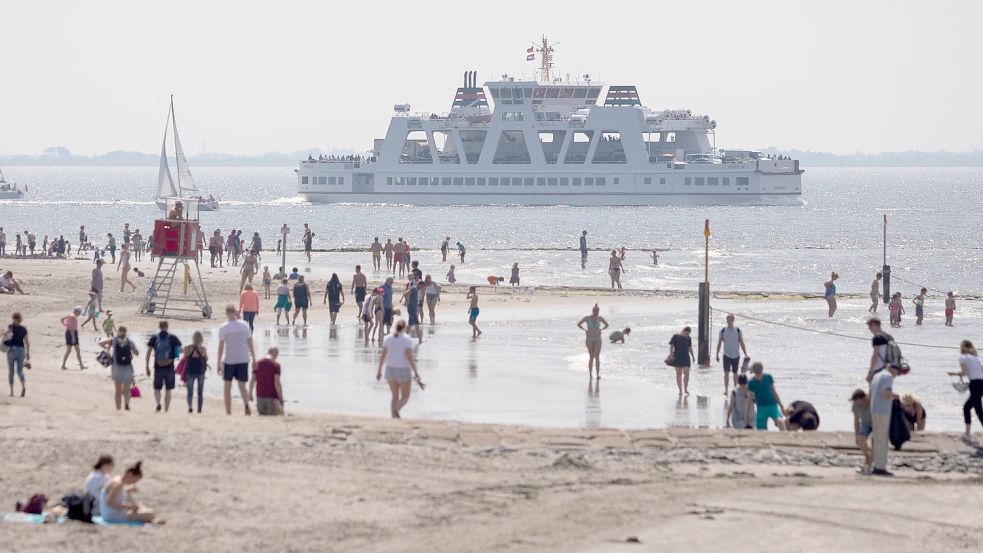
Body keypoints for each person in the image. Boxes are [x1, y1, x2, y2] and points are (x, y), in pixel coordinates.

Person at [376, 320, 422, 419]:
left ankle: (394, 417)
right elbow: (409, 357)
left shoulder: (388, 338)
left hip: (390, 369)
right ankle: (396, 409)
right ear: (404, 328)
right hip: (403, 370)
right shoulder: (407, 340)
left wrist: (379, 370)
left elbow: (383, 356)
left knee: (395, 396)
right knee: (405, 396)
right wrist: (416, 372)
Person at [217, 305, 255, 415]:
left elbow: (221, 346)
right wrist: (254, 357)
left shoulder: (224, 327)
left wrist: (219, 362)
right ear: (235, 313)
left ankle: (228, 411)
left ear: (227, 313)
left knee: (227, 387)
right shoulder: (244, 325)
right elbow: (250, 342)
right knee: (242, 386)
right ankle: (247, 405)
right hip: (243, 359)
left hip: (229, 359)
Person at [949, 340, 983, 442]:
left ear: (962, 347)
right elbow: (980, 371)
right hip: (981, 383)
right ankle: (967, 433)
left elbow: (965, 372)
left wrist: (954, 374)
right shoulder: (975, 358)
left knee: (978, 410)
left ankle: (967, 434)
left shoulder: (963, 357)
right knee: (967, 407)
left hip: (975, 384)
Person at [869, 363, 898, 476]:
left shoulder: (877, 376)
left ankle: (874, 464)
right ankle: (880, 467)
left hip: (874, 409)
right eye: (896, 372)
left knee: (876, 439)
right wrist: (893, 396)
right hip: (883, 411)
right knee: (882, 440)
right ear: (893, 370)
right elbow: (885, 393)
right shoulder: (888, 377)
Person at [146, 320, 181, 413]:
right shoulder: (173, 338)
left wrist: (147, 366)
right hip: (169, 367)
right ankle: (166, 409)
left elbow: (148, 353)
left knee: (157, 388)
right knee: (168, 390)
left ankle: (158, 404)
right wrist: (173, 356)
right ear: (167, 327)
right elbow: (179, 350)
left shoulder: (154, 338)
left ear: (159, 327)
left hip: (158, 366)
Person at [99, 325, 137, 411]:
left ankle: (118, 408)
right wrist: (133, 351)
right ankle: (126, 404)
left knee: (118, 390)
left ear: (118, 331)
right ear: (125, 332)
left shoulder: (113, 340)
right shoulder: (129, 341)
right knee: (127, 389)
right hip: (127, 367)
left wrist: (107, 348)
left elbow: (100, 343)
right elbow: (137, 353)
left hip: (116, 367)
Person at [746, 362, 786, 430]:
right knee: (778, 420)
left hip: (763, 406)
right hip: (770, 404)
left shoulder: (752, 382)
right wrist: (781, 405)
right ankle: (785, 434)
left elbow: (749, 399)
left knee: (762, 428)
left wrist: (746, 414)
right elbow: (774, 392)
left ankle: (784, 434)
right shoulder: (767, 377)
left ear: (754, 370)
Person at [715, 314, 748, 396]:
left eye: (731, 319)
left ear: (733, 320)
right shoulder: (722, 331)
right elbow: (719, 343)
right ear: (726, 320)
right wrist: (717, 354)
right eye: (728, 319)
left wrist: (745, 354)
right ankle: (726, 390)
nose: (729, 321)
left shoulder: (738, 331)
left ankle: (735, 389)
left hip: (736, 355)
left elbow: (742, 342)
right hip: (726, 355)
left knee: (735, 373)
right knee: (726, 372)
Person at [577, 304, 608, 380]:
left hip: (598, 338)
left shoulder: (600, 318)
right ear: (592, 310)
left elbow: (607, 325)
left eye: (597, 311)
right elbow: (579, 324)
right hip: (589, 338)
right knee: (591, 356)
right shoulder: (587, 318)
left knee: (597, 356)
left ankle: (597, 375)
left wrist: (601, 330)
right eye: (595, 310)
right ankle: (590, 374)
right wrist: (585, 330)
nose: (596, 312)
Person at [250, 348, 283, 416]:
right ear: (275, 354)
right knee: (272, 417)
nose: (276, 357)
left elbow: (253, 380)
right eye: (277, 355)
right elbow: (276, 382)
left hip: (259, 397)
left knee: (262, 417)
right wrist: (280, 396)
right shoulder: (276, 365)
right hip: (271, 398)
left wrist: (250, 393)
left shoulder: (257, 363)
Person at [4, 312, 30, 397]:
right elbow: (27, 343)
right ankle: (23, 387)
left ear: (14, 319)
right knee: (20, 371)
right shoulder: (24, 329)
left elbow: (5, 334)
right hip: (21, 350)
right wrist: (28, 353)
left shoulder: (11, 327)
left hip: (12, 350)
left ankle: (12, 392)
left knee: (11, 371)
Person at [182, 331, 207, 414]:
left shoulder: (187, 348)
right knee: (200, 392)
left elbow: (185, 359)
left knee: (190, 391)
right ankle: (199, 409)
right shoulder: (203, 349)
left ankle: (190, 407)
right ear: (201, 339)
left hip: (190, 371)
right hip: (200, 371)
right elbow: (206, 359)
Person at [850, 389, 874, 474]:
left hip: (876, 423)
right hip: (865, 423)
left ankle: (869, 465)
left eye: (863, 401)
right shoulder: (856, 405)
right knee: (860, 438)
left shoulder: (872, 400)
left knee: (874, 441)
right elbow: (856, 420)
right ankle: (867, 456)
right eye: (859, 402)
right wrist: (856, 435)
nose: (861, 404)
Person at [667, 327, 694, 396]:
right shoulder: (676, 336)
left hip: (686, 357)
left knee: (686, 372)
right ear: (683, 331)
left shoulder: (688, 338)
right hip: (677, 356)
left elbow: (689, 347)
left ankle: (685, 389)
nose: (687, 334)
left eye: (688, 333)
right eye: (686, 333)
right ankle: (680, 390)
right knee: (678, 374)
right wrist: (671, 354)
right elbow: (672, 345)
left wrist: (693, 356)